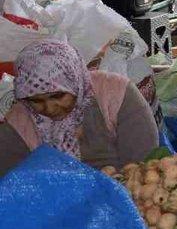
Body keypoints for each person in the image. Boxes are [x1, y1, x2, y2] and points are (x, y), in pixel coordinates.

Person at [0, 40, 157, 176]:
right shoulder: (19, 120)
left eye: (58, 96)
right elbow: (12, 182)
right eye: (36, 100)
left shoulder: (116, 94)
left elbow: (144, 165)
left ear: (76, 83)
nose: (49, 109)